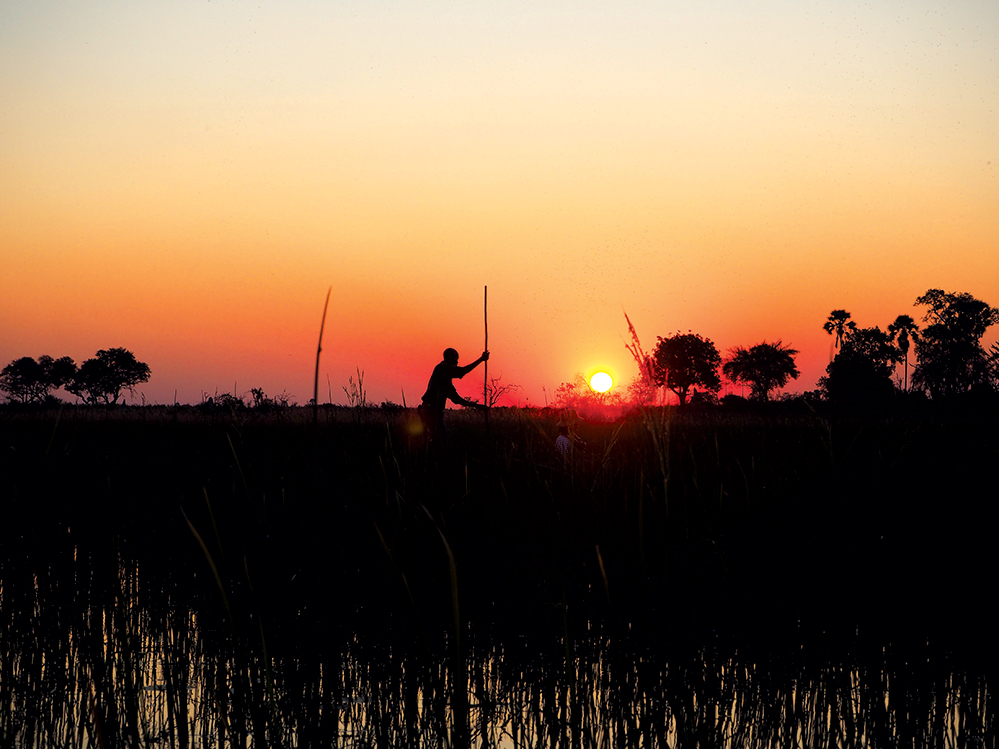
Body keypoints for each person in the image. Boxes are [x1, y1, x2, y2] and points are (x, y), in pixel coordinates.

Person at [419, 348, 489, 442]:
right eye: (455, 359)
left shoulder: (446, 383)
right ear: (448, 358)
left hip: (433, 412)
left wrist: (478, 406)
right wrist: (481, 359)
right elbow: (462, 371)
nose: (457, 362)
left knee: (437, 438)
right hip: (430, 411)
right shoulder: (441, 368)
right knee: (438, 438)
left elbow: (458, 400)